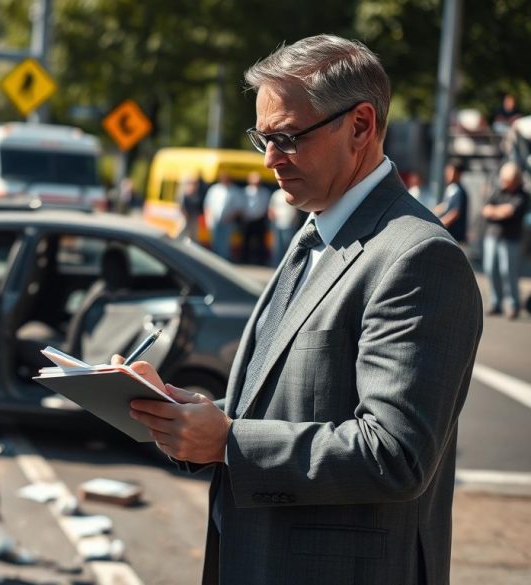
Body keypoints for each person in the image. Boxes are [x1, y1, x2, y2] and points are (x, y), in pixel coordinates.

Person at [120, 34, 482, 585]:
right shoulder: (316, 229)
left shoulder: (417, 255)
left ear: (360, 126)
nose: (268, 160)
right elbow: (289, 400)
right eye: (262, 138)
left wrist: (228, 441)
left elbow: (395, 452)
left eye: (286, 138)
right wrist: (193, 414)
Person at [482, 162, 528, 319]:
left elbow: (508, 212)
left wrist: (496, 211)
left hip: (510, 238)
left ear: (516, 179)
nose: (505, 183)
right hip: (492, 235)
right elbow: (486, 209)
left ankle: (513, 304)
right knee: (490, 269)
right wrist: (498, 211)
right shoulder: (498, 190)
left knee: (508, 272)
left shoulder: (522, 194)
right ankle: (496, 302)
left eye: (508, 180)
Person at [203, 171, 244, 261]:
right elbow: (207, 204)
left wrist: (230, 217)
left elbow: (239, 207)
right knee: (215, 240)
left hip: (228, 221)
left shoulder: (235, 191)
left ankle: (223, 259)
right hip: (214, 219)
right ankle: (215, 258)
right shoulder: (214, 189)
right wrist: (208, 218)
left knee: (225, 241)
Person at [433, 159, 468, 244]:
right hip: (448, 234)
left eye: (450, 171)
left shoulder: (458, 190)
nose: (447, 174)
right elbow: (445, 205)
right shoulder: (451, 188)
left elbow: (455, 212)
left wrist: (440, 223)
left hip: (455, 235)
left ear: (458, 173)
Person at [241, 171, 271, 264]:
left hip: (260, 220)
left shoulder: (265, 192)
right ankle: (245, 259)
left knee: (261, 242)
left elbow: (267, 205)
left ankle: (260, 261)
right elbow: (242, 205)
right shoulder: (245, 191)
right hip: (248, 219)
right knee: (246, 241)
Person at [266, 187, 299, 266]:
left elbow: (296, 209)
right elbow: (271, 208)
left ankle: (287, 265)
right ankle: (276, 264)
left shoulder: (293, 193)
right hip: (276, 224)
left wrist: (295, 221)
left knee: (288, 245)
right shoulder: (276, 194)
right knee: (276, 246)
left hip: (289, 224)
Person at [176, 172, 203, 241]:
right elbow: (180, 206)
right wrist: (185, 215)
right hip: (185, 216)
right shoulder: (184, 193)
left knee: (193, 232)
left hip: (193, 217)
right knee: (182, 230)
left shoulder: (196, 193)